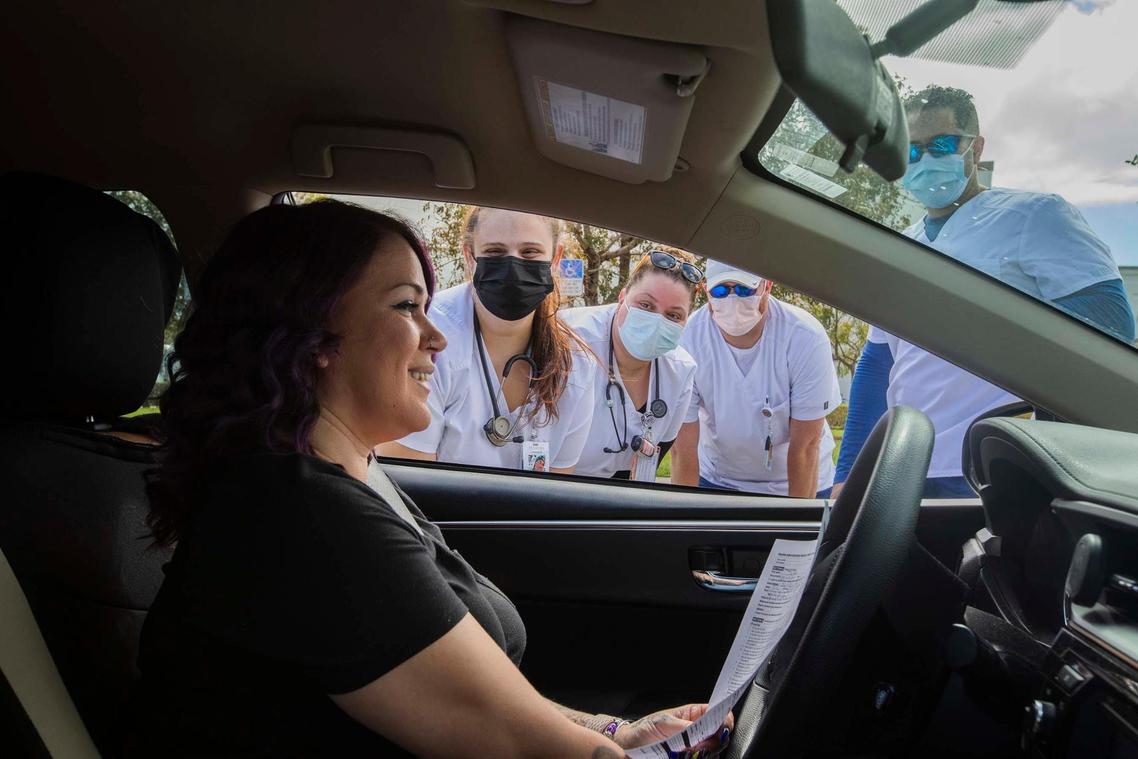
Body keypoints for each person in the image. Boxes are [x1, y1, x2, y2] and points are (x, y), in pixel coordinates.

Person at [130, 200, 733, 758]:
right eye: (405, 306)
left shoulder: (351, 477)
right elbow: (512, 739)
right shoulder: (300, 515)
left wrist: (617, 733)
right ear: (313, 336)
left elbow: (486, 701)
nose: (437, 336)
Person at [833, 85, 1136, 499]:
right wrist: (846, 473)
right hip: (904, 466)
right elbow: (876, 364)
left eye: (941, 143)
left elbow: (1109, 323)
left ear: (975, 148)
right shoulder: (901, 244)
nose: (926, 160)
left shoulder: (1035, 215)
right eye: (913, 151)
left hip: (998, 466)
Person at [377, 207, 598, 473]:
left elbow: (558, 489)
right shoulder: (429, 340)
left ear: (555, 258)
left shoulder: (577, 365)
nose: (513, 267)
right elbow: (408, 478)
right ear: (470, 256)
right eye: (495, 252)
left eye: (530, 252)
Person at [671, 260, 842, 498]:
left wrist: (795, 526)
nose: (732, 300)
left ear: (767, 287)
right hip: (718, 479)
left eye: (744, 290)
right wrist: (681, 524)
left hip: (796, 483)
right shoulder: (689, 338)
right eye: (720, 291)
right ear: (707, 291)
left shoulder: (805, 337)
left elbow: (805, 447)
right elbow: (683, 448)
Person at [561, 249, 701, 482]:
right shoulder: (570, 343)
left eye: (674, 316)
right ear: (622, 296)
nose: (657, 321)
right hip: (552, 484)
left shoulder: (681, 372)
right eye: (646, 305)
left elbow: (652, 458)